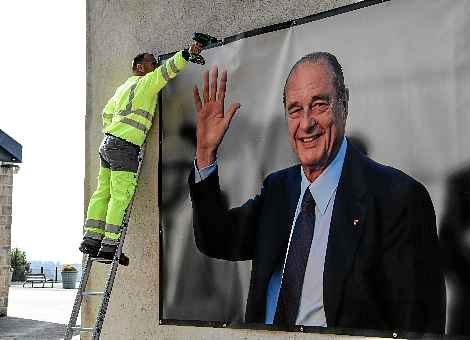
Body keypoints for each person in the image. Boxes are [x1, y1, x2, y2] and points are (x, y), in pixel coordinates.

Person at [188, 52, 446, 333]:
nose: (306, 123)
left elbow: (420, 326)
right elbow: (216, 238)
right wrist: (205, 154)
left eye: (319, 105)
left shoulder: (398, 199)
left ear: (344, 105)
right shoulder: (278, 190)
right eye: (295, 110)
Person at [80, 42, 203, 259]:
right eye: (152, 62)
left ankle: (91, 240)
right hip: (124, 146)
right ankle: (110, 247)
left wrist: (115, 129)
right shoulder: (146, 83)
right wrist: (187, 53)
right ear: (140, 67)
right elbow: (167, 71)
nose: (156, 65)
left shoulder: (123, 88)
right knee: (120, 195)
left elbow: (106, 113)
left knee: (103, 192)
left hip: (108, 143)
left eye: (156, 62)